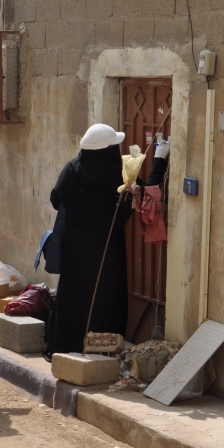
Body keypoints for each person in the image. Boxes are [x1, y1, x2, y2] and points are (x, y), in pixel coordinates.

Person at [43, 124, 169, 361]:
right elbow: (147, 195)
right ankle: (102, 348)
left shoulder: (72, 169)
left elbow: (55, 199)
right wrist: (160, 161)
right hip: (106, 249)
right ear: (107, 150)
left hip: (75, 249)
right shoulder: (119, 172)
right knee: (105, 295)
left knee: (73, 295)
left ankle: (67, 346)